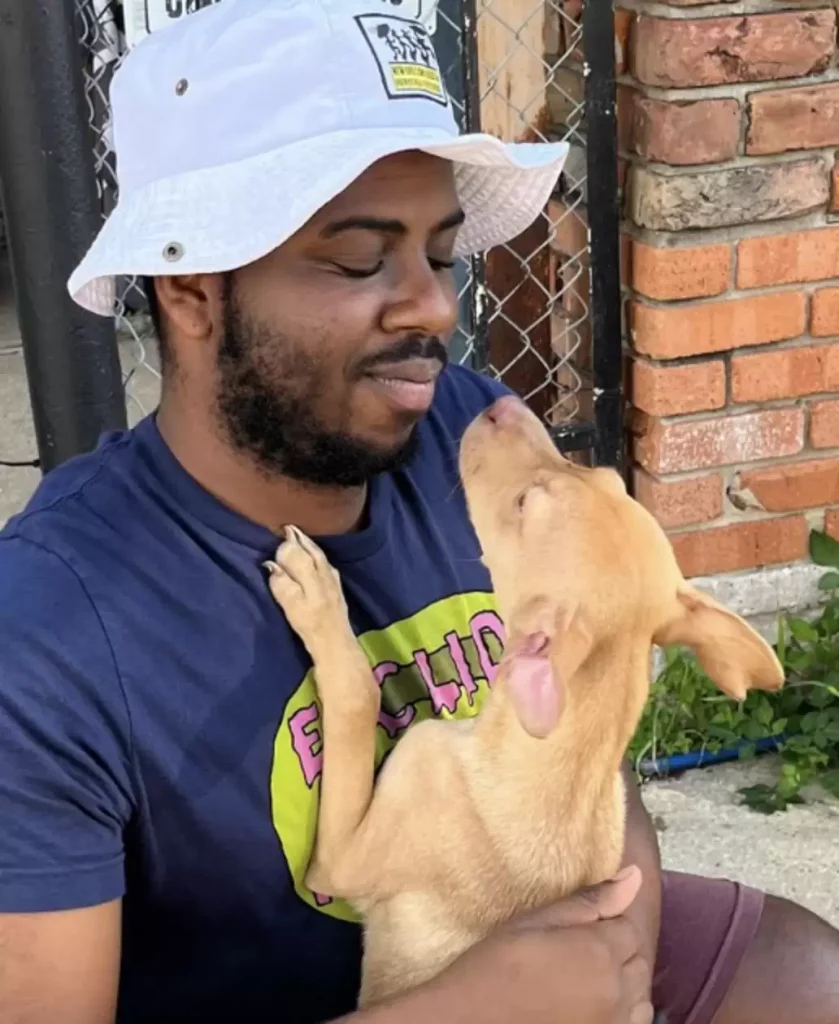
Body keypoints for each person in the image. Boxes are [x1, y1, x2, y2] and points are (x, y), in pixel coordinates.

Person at [0, 1, 836, 1022]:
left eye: (440, 255)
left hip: (536, 945)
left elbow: (590, 774)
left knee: (803, 976)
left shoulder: (467, 429)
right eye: (361, 259)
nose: (437, 308)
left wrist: (617, 948)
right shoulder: (46, 634)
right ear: (189, 287)